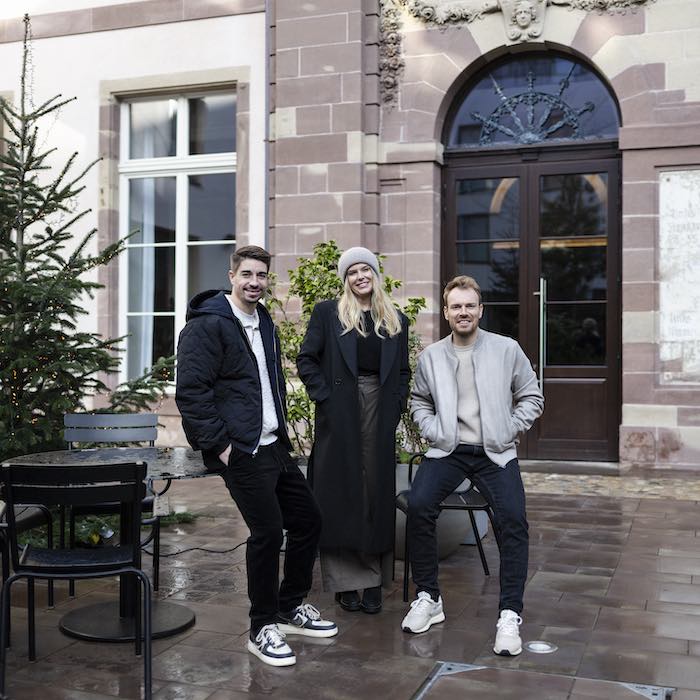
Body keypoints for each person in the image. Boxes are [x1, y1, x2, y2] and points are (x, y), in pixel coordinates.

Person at [175, 245, 337, 667]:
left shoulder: (262, 318)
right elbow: (192, 393)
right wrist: (221, 447)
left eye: (261, 275)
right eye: (247, 274)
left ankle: (289, 606)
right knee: (267, 533)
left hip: (272, 444)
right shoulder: (207, 325)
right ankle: (261, 627)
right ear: (231, 275)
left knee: (308, 521)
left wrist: (280, 432)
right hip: (240, 449)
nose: (254, 282)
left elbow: (267, 381)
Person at [401, 275, 544, 657]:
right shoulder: (431, 357)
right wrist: (433, 430)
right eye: (456, 306)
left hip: (495, 452)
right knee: (419, 506)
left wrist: (508, 429)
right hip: (449, 449)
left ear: (480, 310)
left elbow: (531, 396)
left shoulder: (506, 349)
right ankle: (429, 598)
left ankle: (510, 613)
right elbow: (419, 401)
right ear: (446, 312)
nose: (463, 312)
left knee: (513, 519)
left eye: (470, 305)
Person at [297, 247, 410, 615]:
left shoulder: (396, 319)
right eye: (352, 272)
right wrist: (324, 398)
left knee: (376, 490)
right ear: (345, 279)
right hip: (339, 409)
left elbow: (403, 371)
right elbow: (306, 359)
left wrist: (396, 404)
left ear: (376, 275)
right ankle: (346, 583)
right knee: (340, 491)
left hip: (380, 405)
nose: (360, 276)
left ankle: (375, 580)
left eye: (366, 270)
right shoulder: (328, 313)